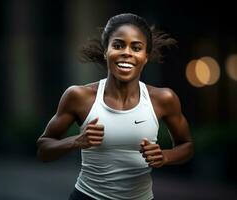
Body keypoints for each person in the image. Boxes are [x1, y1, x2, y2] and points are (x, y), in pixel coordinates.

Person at [36, 13, 194, 200]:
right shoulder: (79, 96)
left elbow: (187, 146)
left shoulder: (163, 99)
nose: (127, 52)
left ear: (145, 57)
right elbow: (43, 150)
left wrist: (165, 157)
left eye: (136, 48)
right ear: (106, 51)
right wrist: (76, 141)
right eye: (118, 45)